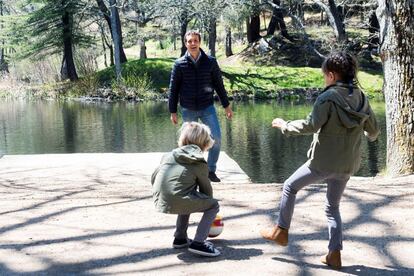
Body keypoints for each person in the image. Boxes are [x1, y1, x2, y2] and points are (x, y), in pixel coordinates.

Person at [260, 51, 380, 269]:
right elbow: (374, 131)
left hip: (322, 163)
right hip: (347, 165)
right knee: (332, 207)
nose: (324, 78)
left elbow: (311, 125)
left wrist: (284, 125)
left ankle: (280, 232)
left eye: (325, 74)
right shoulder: (362, 98)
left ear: (332, 75)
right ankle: (334, 254)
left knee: (289, 187)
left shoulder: (327, 97)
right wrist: (362, 134)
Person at [168, 30, 233, 183]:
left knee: (216, 137)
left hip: (207, 107)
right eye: (189, 41)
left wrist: (227, 106)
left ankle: (210, 171)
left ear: (199, 42)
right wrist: (172, 111)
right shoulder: (179, 64)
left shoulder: (210, 62)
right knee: (187, 143)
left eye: (195, 41)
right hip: (188, 109)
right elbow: (173, 89)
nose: (192, 44)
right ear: (185, 44)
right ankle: (190, 172)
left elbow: (219, 85)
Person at [151, 122, 221, 257]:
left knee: (187, 194)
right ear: (204, 143)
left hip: (160, 199)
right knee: (213, 205)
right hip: (176, 199)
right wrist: (209, 209)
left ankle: (180, 238)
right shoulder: (198, 161)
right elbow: (206, 191)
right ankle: (199, 243)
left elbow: (155, 175)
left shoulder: (169, 155)